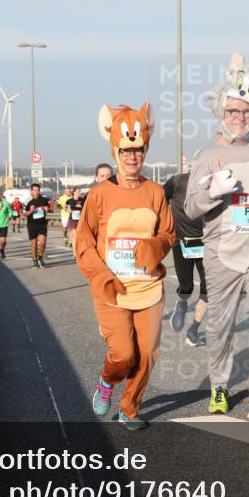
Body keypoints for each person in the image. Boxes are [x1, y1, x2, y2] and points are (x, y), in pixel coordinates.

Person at [185, 53, 249, 424]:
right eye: (233, 111)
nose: (240, 117)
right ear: (221, 111)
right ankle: (219, 386)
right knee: (221, 325)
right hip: (222, 253)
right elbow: (191, 207)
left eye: (246, 111)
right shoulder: (208, 154)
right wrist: (213, 190)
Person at [76, 102, 175, 430]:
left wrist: (154, 247)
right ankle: (107, 382)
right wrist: (100, 276)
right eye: (126, 150)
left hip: (149, 288)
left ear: (145, 150)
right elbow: (84, 242)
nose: (132, 156)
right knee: (123, 354)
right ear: (116, 150)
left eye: (138, 150)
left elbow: (168, 233)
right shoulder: (99, 195)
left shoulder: (155, 192)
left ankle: (129, 409)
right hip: (112, 289)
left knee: (146, 354)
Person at [163, 161, 208, 347]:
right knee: (186, 286)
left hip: (208, 243)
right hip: (182, 242)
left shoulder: (216, 184)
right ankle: (182, 302)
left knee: (208, 288)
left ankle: (194, 329)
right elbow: (158, 201)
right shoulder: (177, 182)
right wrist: (166, 226)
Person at [23, 183, 52, 268]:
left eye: (38, 190)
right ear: (31, 191)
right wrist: (31, 211)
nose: (36, 192)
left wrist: (47, 209)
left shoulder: (44, 200)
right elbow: (24, 213)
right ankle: (35, 261)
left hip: (42, 224)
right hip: (32, 225)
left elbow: (50, 210)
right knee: (34, 244)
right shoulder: (27, 202)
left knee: (42, 242)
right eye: (35, 190)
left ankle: (40, 257)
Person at [65, 187, 85, 252]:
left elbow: (86, 207)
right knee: (74, 235)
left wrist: (81, 208)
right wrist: (67, 210)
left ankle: (78, 249)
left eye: (80, 191)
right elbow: (64, 207)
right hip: (72, 219)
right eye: (78, 191)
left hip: (80, 220)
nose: (79, 193)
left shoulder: (82, 200)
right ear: (74, 192)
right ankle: (75, 252)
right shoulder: (70, 200)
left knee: (79, 236)